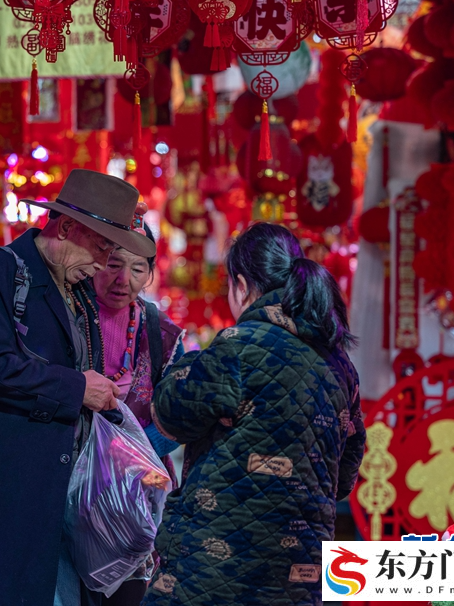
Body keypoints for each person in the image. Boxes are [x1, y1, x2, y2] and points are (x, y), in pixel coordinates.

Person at [0, 169, 156, 606]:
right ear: (67, 228)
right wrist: (76, 387)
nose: (104, 261)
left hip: (54, 495)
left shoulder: (78, 290)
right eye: (102, 246)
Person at [143, 222, 366, 606]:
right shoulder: (342, 369)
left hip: (214, 575)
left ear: (242, 286)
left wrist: (187, 365)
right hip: (301, 579)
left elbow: (171, 412)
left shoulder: (239, 346)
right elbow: (344, 476)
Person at [89, 223, 184, 606]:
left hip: (139, 498)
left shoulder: (162, 333)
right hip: (74, 489)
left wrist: (134, 451)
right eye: (112, 263)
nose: (123, 279)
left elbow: (181, 416)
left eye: (138, 268)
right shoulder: (66, 319)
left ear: (151, 273)